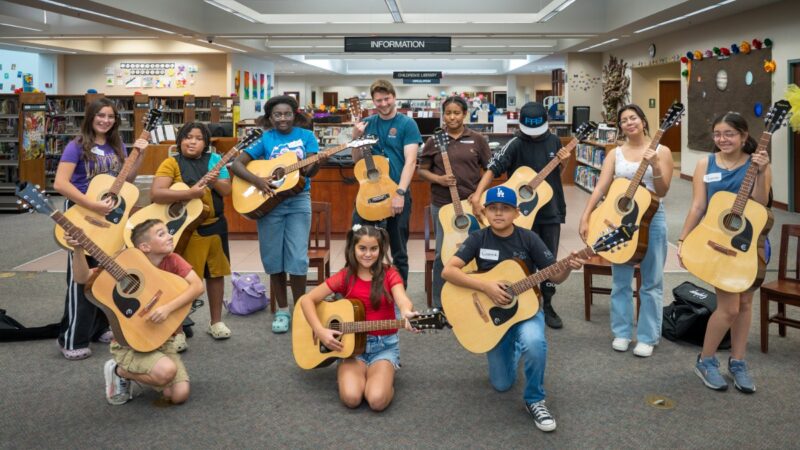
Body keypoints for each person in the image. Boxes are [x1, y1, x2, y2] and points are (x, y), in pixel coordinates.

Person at [442, 186, 584, 432]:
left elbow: (556, 277)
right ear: (484, 212)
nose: (498, 214)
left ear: (516, 213)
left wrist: (569, 266)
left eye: (505, 209)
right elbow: (448, 271)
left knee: (535, 342)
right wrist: (486, 286)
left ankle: (535, 400)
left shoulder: (528, 238)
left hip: (525, 310)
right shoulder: (478, 238)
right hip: (493, 316)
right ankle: (514, 346)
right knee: (501, 384)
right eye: (493, 209)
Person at [677, 112, 771, 393]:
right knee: (728, 308)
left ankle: (738, 361)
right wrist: (683, 240)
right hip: (719, 244)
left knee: (744, 305)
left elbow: (761, 205)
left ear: (744, 136)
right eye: (717, 134)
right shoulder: (705, 163)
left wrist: (763, 171)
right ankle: (705, 360)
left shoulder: (757, 164)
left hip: (751, 243)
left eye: (729, 134)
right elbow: (697, 206)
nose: (722, 139)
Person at [65, 219, 204, 405]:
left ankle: (152, 370)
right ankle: (118, 371)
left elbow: (196, 287)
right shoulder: (125, 264)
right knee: (166, 372)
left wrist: (167, 308)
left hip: (163, 339)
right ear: (144, 246)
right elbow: (82, 278)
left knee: (178, 396)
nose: (170, 236)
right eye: (161, 234)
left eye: (167, 232)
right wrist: (79, 249)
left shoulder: (173, 260)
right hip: (130, 343)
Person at [52, 97, 149, 360]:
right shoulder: (77, 146)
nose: (105, 120)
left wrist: (141, 154)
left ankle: (99, 328)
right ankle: (72, 338)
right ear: (91, 117)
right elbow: (60, 183)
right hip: (83, 214)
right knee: (81, 279)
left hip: (110, 220)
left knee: (106, 276)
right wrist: (92, 204)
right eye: (100, 116)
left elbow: (127, 180)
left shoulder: (116, 144)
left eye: (110, 116)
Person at [578, 104, 674, 357]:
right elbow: (600, 188)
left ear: (643, 121)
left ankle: (647, 336)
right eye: (624, 120)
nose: (629, 122)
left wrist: (654, 166)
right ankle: (621, 332)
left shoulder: (661, 151)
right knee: (620, 280)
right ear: (619, 126)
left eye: (633, 118)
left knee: (651, 281)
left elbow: (663, 190)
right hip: (619, 220)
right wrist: (586, 215)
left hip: (652, 218)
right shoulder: (615, 154)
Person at [298, 224, 418, 411]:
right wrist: (319, 330)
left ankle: (385, 377)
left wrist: (406, 312)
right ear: (353, 249)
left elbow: (403, 299)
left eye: (373, 249)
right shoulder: (345, 276)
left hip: (383, 347)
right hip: (350, 349)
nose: (368, 254)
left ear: (381, 249)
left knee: (377, 401)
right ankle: (353, 369)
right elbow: (307, 300)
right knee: (352, 398)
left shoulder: (390, 273)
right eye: (362, 248)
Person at [471, 102, 568, 329]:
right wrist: (477, 196)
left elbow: (556, 174)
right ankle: (523, 301)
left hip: (550, 210)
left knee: (549, 260)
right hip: (521, 215)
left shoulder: (554, 141)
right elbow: (493, 168)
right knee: (521, 261)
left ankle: (548, 304)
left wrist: (565, 162)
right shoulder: (515, 143)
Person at [231, 95, 321, 334]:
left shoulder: (307, 137)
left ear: (295, 114)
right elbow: (237, 165)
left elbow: (311, 171)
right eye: (278, 115)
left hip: (299, 200)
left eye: (288, 114)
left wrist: (314, 161)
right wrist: (258, 181)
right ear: (270, 117)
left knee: (298, 258)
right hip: (270, 201)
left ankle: (302, 309)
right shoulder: (265, 138)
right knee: (273, 258)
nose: (283, 118)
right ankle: (282, 310)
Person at [150, 122, 232, 350]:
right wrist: (190, 193)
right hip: (185, 231)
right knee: (181, 280)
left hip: (215, 227)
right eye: (187, 137)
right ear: (180, 141)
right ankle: (176, 331)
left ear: (206, 143)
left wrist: (214, 178)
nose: (192, 141)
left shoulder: (216, 160)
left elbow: (227, 190)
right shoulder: (172, 162)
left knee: (216, 275)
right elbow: (156, 194)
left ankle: (216, 322)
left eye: (198, 138)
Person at [417, 96, 491, 308]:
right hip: (442, 205)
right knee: (443, 252)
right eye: (448, 113)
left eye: (456, 113)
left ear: (465, 114)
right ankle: (440, 303)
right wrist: (439, 179)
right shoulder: (434, 141)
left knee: (476, 252)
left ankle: (475, 296)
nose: (452, 117)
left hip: (471, 205)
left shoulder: (477, 139)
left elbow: (490, 170)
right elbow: (422, 170)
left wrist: (477, 194)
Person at [350, 79, 422, 285]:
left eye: (386, 98)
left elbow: (411, 161)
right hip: (368, 196)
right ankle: (361, 294)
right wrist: (355, 138)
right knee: (359, 245)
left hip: (396, 194)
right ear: (373, 102)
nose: (383, 104)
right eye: (378, 100)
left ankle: (400, 302)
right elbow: (357, 162)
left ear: (394, 97)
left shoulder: (407, 124)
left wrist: (400, 193)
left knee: (398, 250)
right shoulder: (367, 124)